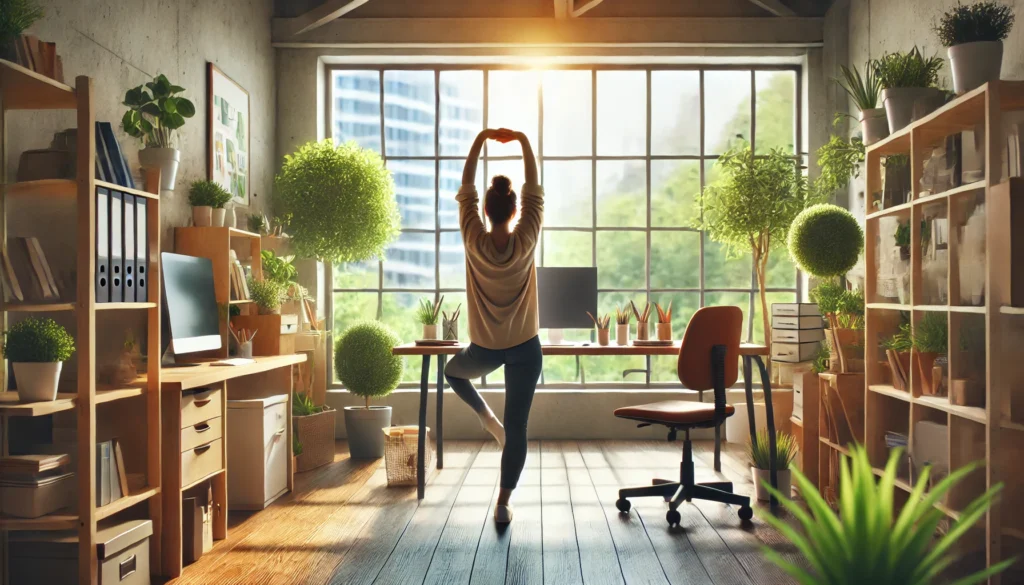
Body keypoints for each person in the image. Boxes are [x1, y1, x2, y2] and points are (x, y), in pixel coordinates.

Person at [444, 128, 543, 525]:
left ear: (484, 211)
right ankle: (502, 503)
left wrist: (482, 138)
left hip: (484, 351)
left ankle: (486, 418)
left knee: (453, 372)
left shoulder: (473, 239)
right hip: (525, 348)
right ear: (516, 211)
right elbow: (534, 186)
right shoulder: (527, 238)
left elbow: (466, 185)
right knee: (517, 427)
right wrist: (521, 140)